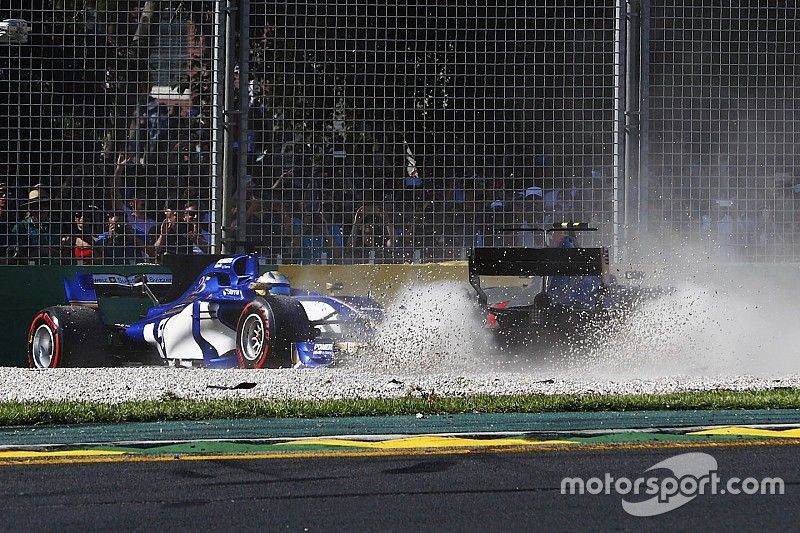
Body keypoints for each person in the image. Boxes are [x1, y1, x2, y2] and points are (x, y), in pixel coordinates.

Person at [546, 229, 602, 308]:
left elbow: (557, 287)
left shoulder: (558, 256)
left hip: (559, 299)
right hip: (581, 300)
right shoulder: (580, 256)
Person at [10, 185, 62, 263]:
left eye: (45, 205)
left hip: (54, 270)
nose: (41, 209)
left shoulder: (57, 225)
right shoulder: (20, 228)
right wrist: (41, 251)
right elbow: (15, 257)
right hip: (29, 271)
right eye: (36, 205)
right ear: (30, 208)